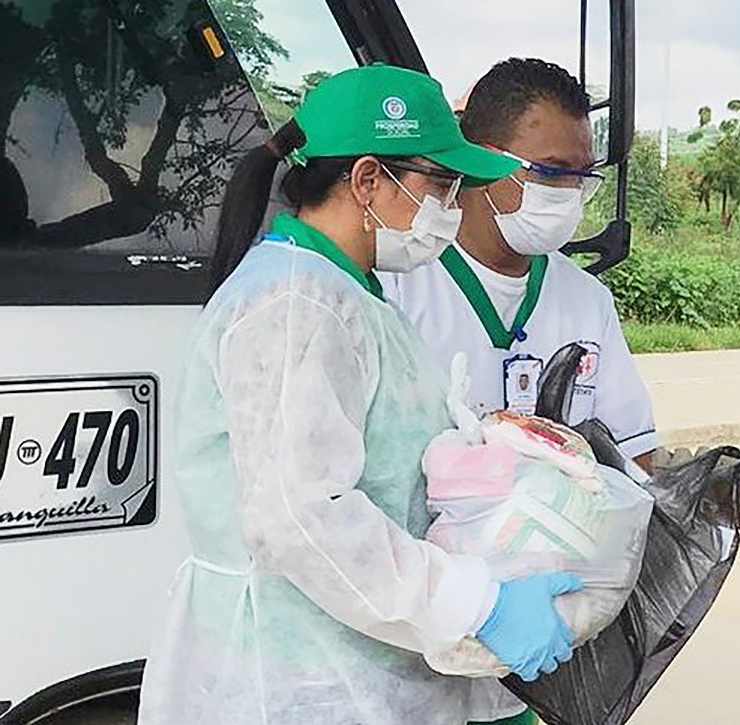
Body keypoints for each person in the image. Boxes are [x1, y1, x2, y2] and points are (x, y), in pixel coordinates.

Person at [138, 65, 582, 725]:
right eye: (442, 183)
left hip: (355, 672)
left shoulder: (346, 293)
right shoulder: (295, 304)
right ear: (370, 179)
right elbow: (301, 515)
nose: (453, 207)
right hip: (303, 683)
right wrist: (473, 604)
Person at [382, 58, 657, 470]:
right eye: (552, 172)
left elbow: (634, 459)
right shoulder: (398, 282)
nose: (570, 192)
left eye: (582, 176)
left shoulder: (587, 301)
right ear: (481, 159)